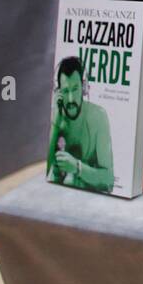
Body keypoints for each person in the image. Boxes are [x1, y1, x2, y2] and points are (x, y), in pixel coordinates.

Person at [47, 56, 115, 193]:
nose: (71, 99)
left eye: (75, 89)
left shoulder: (98, 116)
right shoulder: (56, 116)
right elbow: (46, 172)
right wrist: (57, 119)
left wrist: (77, 168)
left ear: (84, 88)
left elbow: (109, 180)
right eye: (66, 91)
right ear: (58, 92)